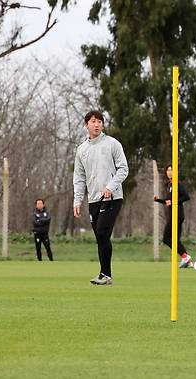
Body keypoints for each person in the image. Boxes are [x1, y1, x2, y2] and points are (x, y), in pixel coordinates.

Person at [73, 110, 129, 285]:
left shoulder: (112, 144)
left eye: (99, 121)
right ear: (86, 125)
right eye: (93, 121)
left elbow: (123, 169)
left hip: (112, 197)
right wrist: (77, 199)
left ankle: (106, 274)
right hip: (93, 199)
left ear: (102, 125)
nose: (96, 124)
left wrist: (110, 187)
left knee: (103, 233)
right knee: (100, 237)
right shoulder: (82, 150)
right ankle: (104, 274)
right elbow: (79, 177)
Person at [154, 164, 193, 268]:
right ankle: (188, 261)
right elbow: (169, 201)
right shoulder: (170, 185)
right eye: (168, 170)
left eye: (172, 170)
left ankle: (185, 256)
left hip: (177, 215)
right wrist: (158, 200)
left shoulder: (177, 184)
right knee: (176, 240)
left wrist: (173, 201)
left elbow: (186, 196)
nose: (170, 172)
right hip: (174, 215)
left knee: (166, 238)